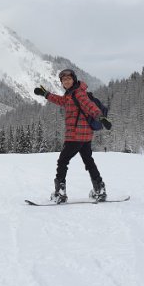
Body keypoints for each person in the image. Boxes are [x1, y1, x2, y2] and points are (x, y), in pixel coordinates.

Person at [34, 68, 112, 203]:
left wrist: (100, 117)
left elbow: (90, 106)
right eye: (64, 80)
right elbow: (60, 101)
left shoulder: (78, 94)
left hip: (75, 136)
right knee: (88, 161)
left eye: (69, 79)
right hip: (85, 136)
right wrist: (46, 94)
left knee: (62, 161)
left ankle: (60, 193)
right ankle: (100, 189)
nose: (66, 81)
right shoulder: (70, 95)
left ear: (74, 79)